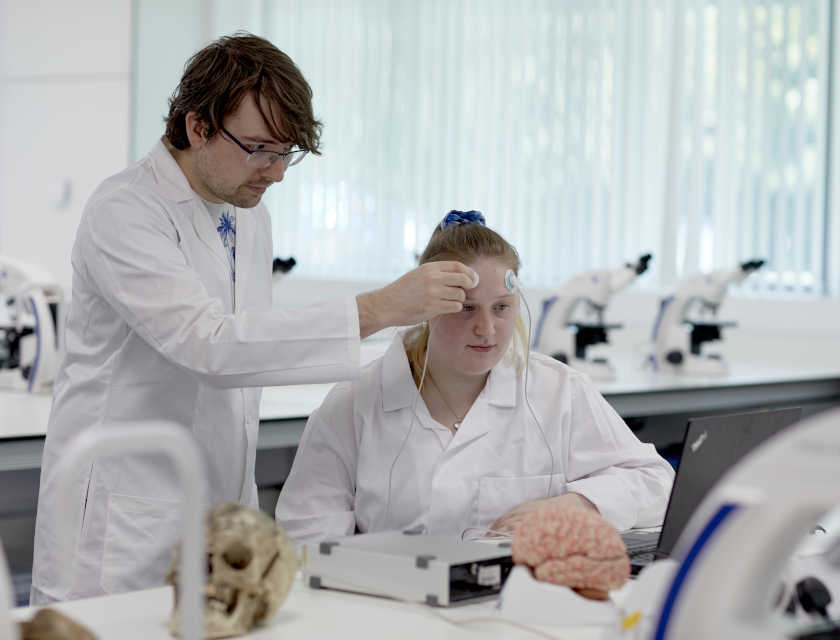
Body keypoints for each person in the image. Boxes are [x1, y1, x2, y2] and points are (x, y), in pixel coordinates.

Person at [31, 33, 475, 604]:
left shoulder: (246, 214)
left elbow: (250, 352)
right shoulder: (125, 210)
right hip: (119, 525)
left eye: (286, 152)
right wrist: (380, 308)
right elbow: (210, 346)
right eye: (260, 148)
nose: (276, 172)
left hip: (215, 508)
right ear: (198, 127)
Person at [276, 212, 675, 545]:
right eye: (466, 308)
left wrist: (576, 505)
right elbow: (306, 535)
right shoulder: (356, 401)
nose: (486, 329)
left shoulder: (558, 392)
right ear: (426, 307)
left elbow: (654, 480)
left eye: (502, 308)